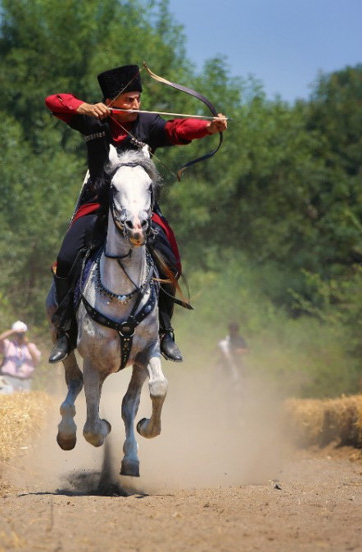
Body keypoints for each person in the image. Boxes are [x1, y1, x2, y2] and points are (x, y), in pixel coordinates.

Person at [44, 64, 228, 364]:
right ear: (111, 101)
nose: (136, 105)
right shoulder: (92, 121)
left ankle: (166, 332)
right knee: (66, 259)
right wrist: (85, 107)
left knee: (170, 261)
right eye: (129, 99)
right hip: (98, 203)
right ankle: (65, 331)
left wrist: (208, 128)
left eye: (138, 98)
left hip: (142, 209)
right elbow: (53, 101)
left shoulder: (149, 124)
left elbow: (176, 129)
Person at [0, 321, 41, 393]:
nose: (19, 336)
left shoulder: (31, 346)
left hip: (26, 381)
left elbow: (36, 360)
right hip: (9, 379)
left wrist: (27, 344)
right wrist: (14, 331)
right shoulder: (8, 344)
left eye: (22, 334)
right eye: (17, 334)